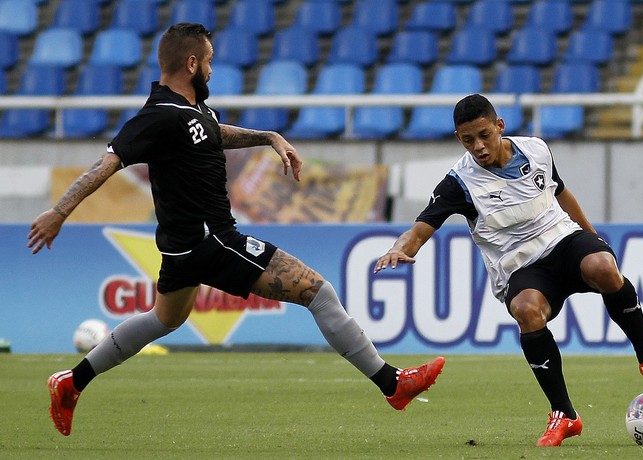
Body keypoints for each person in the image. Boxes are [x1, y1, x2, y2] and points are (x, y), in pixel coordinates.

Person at [28, 23, 445, 437]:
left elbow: (214, 136)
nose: (212, 70)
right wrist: (59, 212)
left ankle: (71, 382)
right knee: (319, 293)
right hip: (213, 240)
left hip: (181, 248)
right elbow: (109, 162)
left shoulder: (194, 111)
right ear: (192, 63)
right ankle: (393, 384)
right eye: (208, 62)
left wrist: (267, 136)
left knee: (164, 319)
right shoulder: (158, 116)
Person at [374, 94, 643, 447]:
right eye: (468, 140)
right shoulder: (458, 183)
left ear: (500, 126)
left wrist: (591, 236)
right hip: (519, 265)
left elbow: (560, 192)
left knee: (604, 267)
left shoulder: (536, 149)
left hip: (562, 240)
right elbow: (421, 229)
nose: (479, 146)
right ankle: (565, 414)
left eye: (484, 135)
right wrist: (398, 249)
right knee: (528, 310)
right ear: (459, 139)